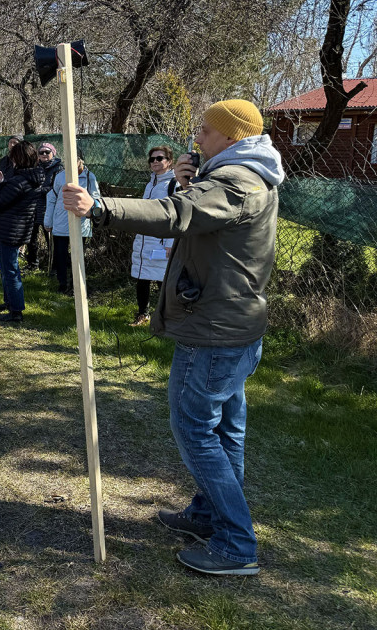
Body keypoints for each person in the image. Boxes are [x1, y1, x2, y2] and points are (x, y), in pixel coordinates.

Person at [62, 99, 284, 576]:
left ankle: (236, 545)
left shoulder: (238, 181)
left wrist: (99, 208)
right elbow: (203, 218)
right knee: (225, 431)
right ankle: (208, 517)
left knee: (196, 433)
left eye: (205, 131)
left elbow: (175, 213)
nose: (197, 139)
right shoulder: (242, 175)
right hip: (232, 327)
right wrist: (190, 180)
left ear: (231, 136)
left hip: (214, 333)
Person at [0, 141, 42, 323]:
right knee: (7, 268)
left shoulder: (20, 181)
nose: (11, 161)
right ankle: (9, 302)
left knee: (10, 270)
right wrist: (2, 182)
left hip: (10, 229)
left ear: (20, 159)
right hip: (14, 228)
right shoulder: (29, 179)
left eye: (13, 157)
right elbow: (11, 197)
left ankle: (16, 311)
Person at [130, 146, 177, 326]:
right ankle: (143, 314)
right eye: (152, 159)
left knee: (162, 280)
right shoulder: (151, 183)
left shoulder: (173, 184)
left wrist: (170, 243)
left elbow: (175, 215)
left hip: (161, 240)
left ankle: (167, 317)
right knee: (142, 277)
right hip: (145, 239)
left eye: (160, 158)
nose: (156, 162)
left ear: (169, 161)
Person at [44, 151, 100, 294]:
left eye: (73, 159)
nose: (69, 163)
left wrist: (92, 215)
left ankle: (76, 286)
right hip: (60, 224)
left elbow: (96, 199)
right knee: (60, 256)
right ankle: (62, 284)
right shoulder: (60, 176)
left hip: (81, 226)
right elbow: (52, 198)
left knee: (78, 257)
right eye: (67, 160)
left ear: (80, 160)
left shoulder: (89, 177)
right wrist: (48, 221)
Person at [27, 142, 63, 271]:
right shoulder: (34, 167)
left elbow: (56, 188)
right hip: (33, 207)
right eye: (41, 152)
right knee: (31, 237)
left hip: (50, 208)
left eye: (47, 152)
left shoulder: (58, 168)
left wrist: (39, 190)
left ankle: (54, 266)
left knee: (51, 240)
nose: (43, 154)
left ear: (53, 153)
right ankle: (32, 264)